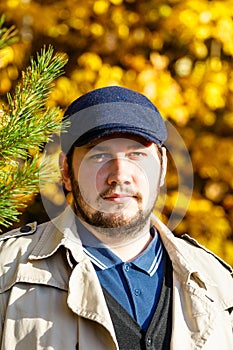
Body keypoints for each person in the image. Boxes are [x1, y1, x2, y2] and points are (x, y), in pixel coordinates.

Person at [0, 86, 232, 350]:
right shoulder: (6, 274)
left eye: (137, 155)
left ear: (163, 167)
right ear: (65, 171)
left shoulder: (220, 285)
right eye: (99, 155)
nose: (119, 174)